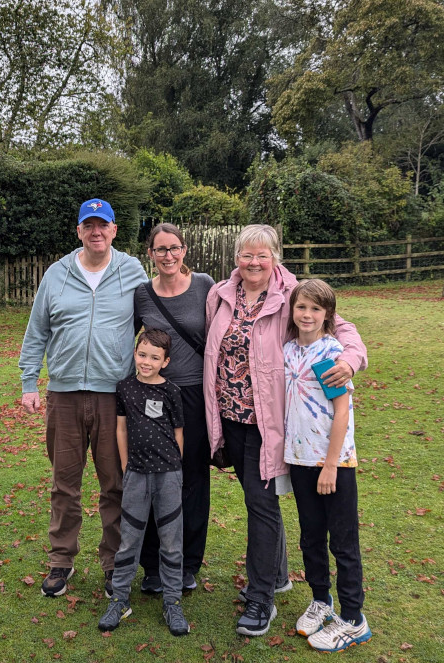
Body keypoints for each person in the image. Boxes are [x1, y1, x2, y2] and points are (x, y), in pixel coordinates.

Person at [203, 224, 367, 637]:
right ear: (236, 257)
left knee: (261, 506)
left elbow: (341, 326)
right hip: (230, 417)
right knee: (259, 502)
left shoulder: (292, 292)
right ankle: (276, 577)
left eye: (262, 255)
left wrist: (350, 359)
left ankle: (261, 599)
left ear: (276, 256)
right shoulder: (220, 294)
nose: (254, 262)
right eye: (246, 255)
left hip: (269, 422)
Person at [19, 198, 148, 598]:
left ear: (113, 231)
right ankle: (61, 561)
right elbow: (37, 330)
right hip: (65, 395)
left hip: (115, 396)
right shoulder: (57, 274)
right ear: (79, 231)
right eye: (88, 225)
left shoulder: (131, 270)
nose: (96, 231)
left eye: (103, 225)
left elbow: (156, 318)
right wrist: (29, 382)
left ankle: (114, 564)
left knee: (115, 484)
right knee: (65, 484)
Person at [283, 279, 372, 652]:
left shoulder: (331, 355)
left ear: (328, 315)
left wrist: (331, 465)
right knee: (311, 536)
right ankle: (322, 600)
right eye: (301, 307)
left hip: (333, 462)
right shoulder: (288, 350)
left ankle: (353, 618)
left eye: (316, 310)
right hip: (300, 460)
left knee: (343, 540)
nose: (307, 315)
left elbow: (341, 413)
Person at [133, 223, 214, 594]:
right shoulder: (142, 294)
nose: (168, 256)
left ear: (184, 251)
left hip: (195, 395)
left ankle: (186, 564)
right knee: (154, 477)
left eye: (174, 248)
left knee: (192, 479)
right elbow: (130, 343)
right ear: (150, 253)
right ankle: (153, 564)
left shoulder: (205, 286)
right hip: (155, 397)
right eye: (160, 249)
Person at [98, 329, 189, 636]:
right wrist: (126, 466)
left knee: (171, 542)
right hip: (136, 475)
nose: (146, 361)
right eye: (142, 354)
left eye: (154, 357)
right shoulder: (124, 388)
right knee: (129, 541)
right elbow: (121, 429)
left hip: (168, 476)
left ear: (165, 361)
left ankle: (173, 602)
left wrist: (176, 467)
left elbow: (178, 433)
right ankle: (120, 600)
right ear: (134, 354)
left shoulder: (172, 392)